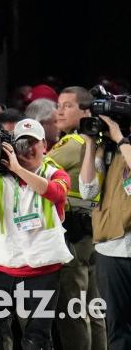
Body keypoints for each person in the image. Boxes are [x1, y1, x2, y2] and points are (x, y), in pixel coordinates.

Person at [0, 118, 72, 350]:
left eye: (33, 143)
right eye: (22, 143)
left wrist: (18, 169)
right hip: (3, 267)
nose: (28, 149)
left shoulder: (55, 174)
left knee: (35, 342)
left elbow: (56, 195)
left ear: (44, 145)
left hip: (43, 269)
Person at [49, 86, 107, 349]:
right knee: (94, 308)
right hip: (93, 232)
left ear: (86, 112)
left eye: (68, 106)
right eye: (58, 104)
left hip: (74, 235)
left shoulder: (73, 144)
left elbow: (35, 165)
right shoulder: (98, 142)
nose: (59, 111)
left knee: (74, 310)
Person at [79, 114, 131, 350]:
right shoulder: (108, 151)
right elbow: (87, 191)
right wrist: (91, 145)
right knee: (116, 326)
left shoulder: (122, 145)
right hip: (111, 248)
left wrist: (121, 138)